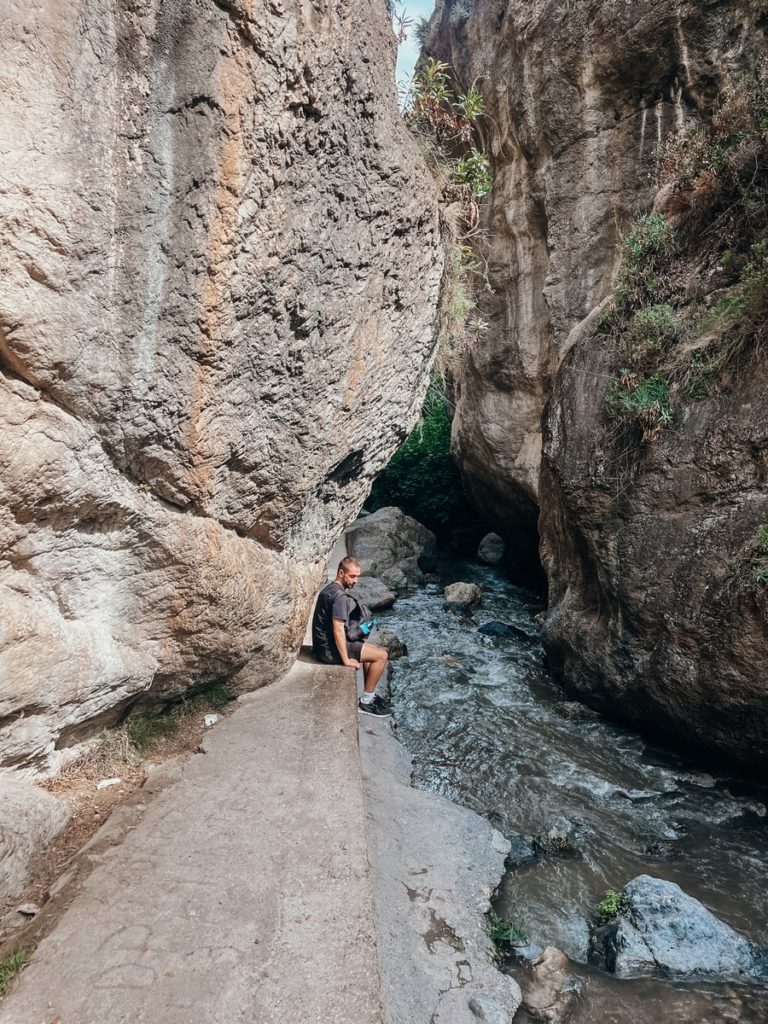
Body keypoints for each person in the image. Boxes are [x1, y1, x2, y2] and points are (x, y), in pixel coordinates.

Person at [311, 556, 392, 717]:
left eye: (358, 576)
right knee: (382, 656)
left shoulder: (330, 589)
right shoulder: (340, 597)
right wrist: (346, 660)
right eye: (353, 576)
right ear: (341, 573)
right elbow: (338, 630)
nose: (356, 581)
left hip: (322, 646)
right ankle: (366, 702)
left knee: (374, 650)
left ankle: (370, 695)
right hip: (329, 650)